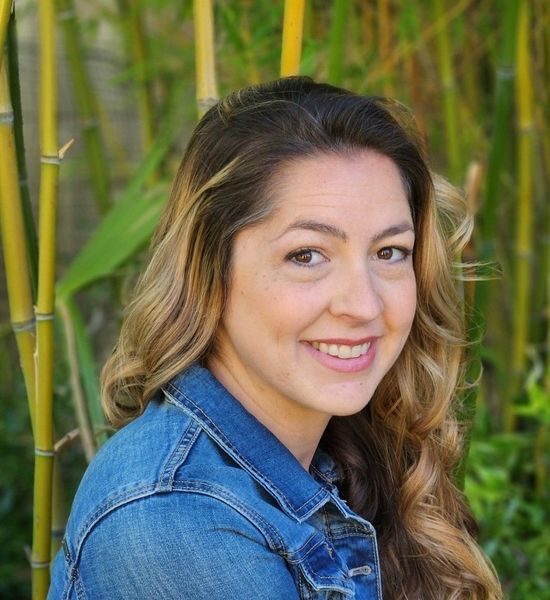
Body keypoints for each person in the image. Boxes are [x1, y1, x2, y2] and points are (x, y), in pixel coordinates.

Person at [48, 77, 502, 599]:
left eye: (389, 252)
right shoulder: (173, 520)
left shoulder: (337, 456)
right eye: (306, 255)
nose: (365, 305)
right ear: (210, 271)